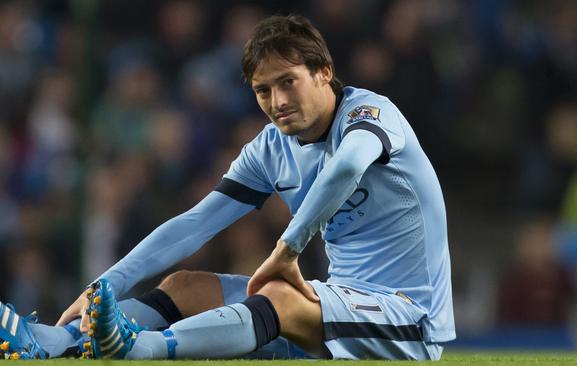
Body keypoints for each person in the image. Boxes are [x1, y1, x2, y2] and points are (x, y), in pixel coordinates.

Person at [0, 14, 455, 360]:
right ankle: (53, 341)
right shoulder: (271, 148)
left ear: (323, 72)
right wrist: (103, 286)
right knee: (184, 286)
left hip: (407, 319)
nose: (276, 102)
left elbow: (345, 168)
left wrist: (287, 250)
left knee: (276, 291)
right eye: (262, 90)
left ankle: (140, 349)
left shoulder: (371, 115)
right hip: (330, 308)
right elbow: (194, 224)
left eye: (287, 82)